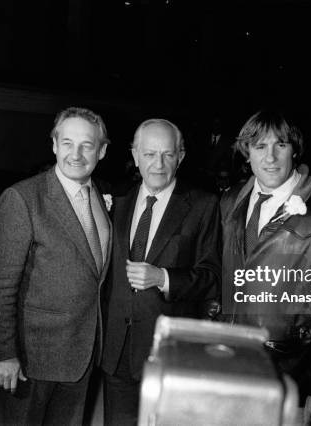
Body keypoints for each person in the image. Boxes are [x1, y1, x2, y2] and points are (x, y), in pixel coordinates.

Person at [220, 109, 311, 425]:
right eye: (259, 146)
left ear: (294, 149)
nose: (270, 157)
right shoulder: (230, 200)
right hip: (232, 364)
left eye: (280, 145)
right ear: (247, 153)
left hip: (291, 371)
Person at [0, 107, 112, 425]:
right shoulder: (23, 199)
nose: (76, 154)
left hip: (82, 353)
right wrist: (4, 353)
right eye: (67, 143)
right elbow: (1, 285)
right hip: (33, 358)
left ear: (102, 150)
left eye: (87, 145)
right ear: (54, 145)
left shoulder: (96, 194)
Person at [101, 118, 221, 425]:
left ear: (180, 157)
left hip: (170, 352)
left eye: (168, 154)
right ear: (135, 155)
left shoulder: (203, 205)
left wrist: (162, 278)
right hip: (117, 349)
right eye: (150, 154)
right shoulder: (116, 201)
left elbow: (211, 277)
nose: (158, 163)